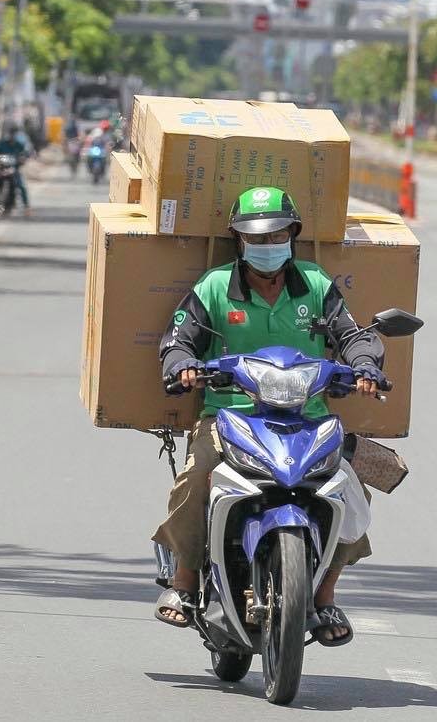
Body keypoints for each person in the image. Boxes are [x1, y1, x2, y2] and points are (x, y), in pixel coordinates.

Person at [152, 186, 387, 645]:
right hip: (230, 416)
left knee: (353, 488)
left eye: (276, 235)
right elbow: (178, 339)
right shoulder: (214, 287)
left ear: (293, 235)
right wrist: (182, 366)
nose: (267, 245)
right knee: (196, 476)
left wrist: (365, 367)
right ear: (239, 241)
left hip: (309, 418)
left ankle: (324, 595)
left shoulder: (317, 285)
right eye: (256, 238)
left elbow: (352, 334)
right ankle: (182, 583)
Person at [0, 122, 32, 214]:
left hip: (14, 170)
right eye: (11, 133)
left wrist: (22, 159)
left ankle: (27, 207)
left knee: (21, 185)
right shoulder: (2, 144)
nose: (12, 135)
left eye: (14, 133)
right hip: (2, 169)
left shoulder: (19, 145)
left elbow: (25, 155)